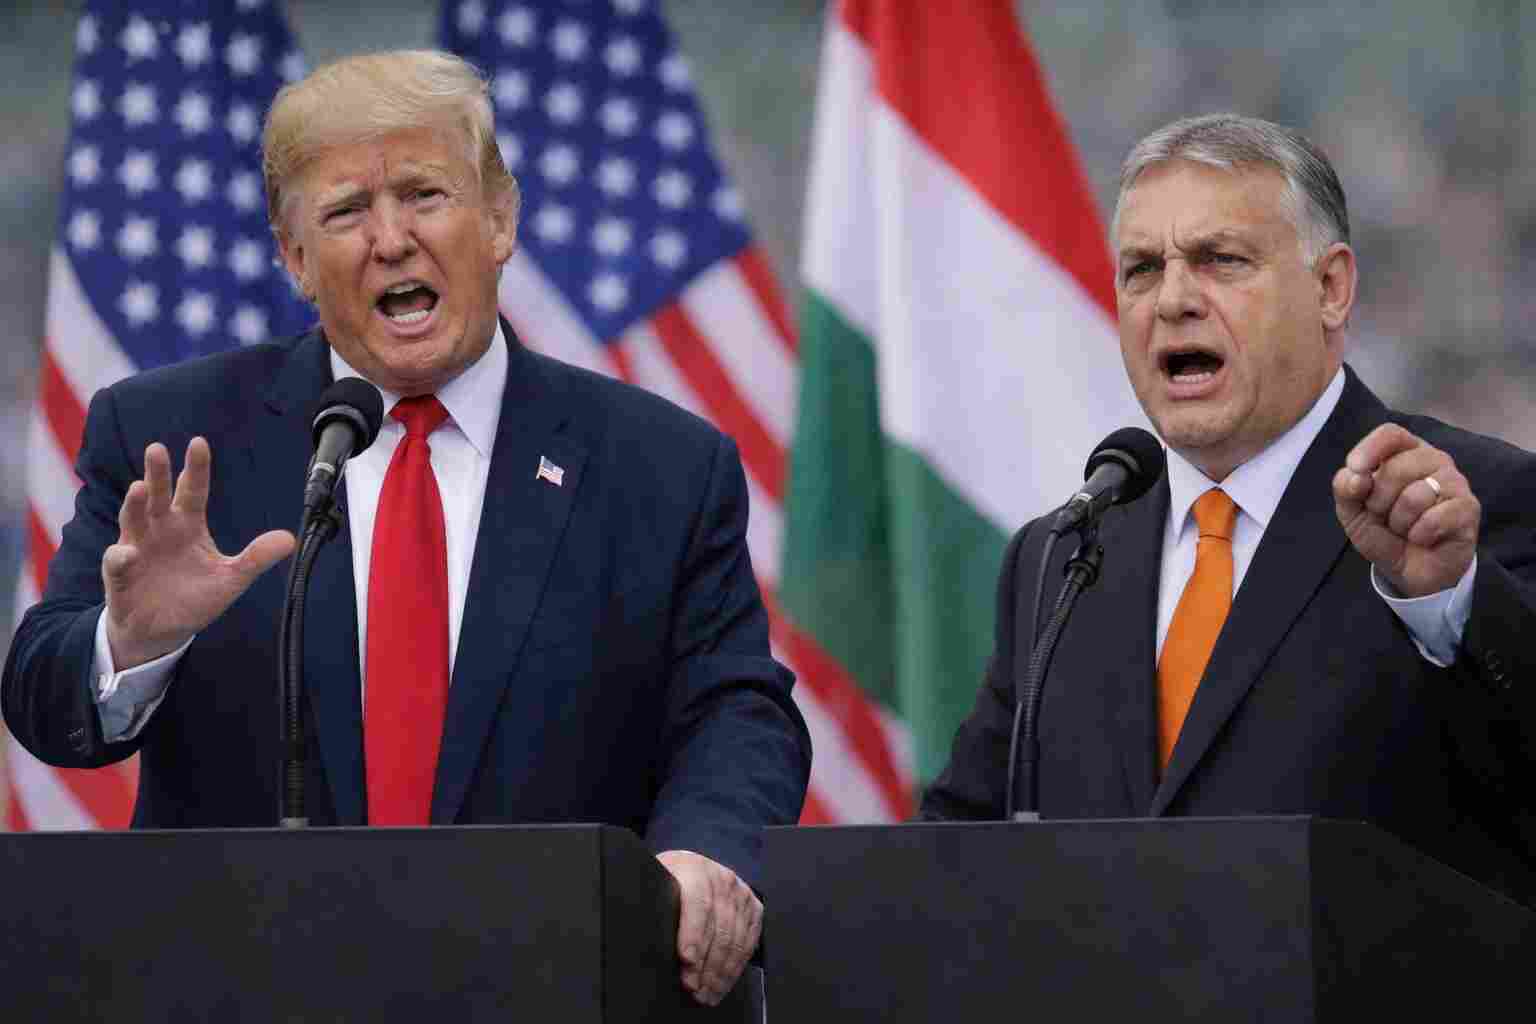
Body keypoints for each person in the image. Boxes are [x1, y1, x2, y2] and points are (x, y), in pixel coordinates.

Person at [2, 50, 810, 1005]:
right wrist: (131, 644)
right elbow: (45, 702)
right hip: (248, 988)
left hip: (558, 985)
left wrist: (704, 853)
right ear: (295, 258)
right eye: (346, 211)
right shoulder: (171, 441)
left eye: (425, 194)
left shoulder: (661, 464)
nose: (391, 240)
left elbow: (735, 708)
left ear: (500, 219)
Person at [920, 114, 1536, 906]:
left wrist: (1450, 601)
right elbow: (955, 847)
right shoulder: (1060, 557)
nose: (1173, 299)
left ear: (1330, 288)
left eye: (1221, 260)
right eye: (1142, 269)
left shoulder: (1467, 507)